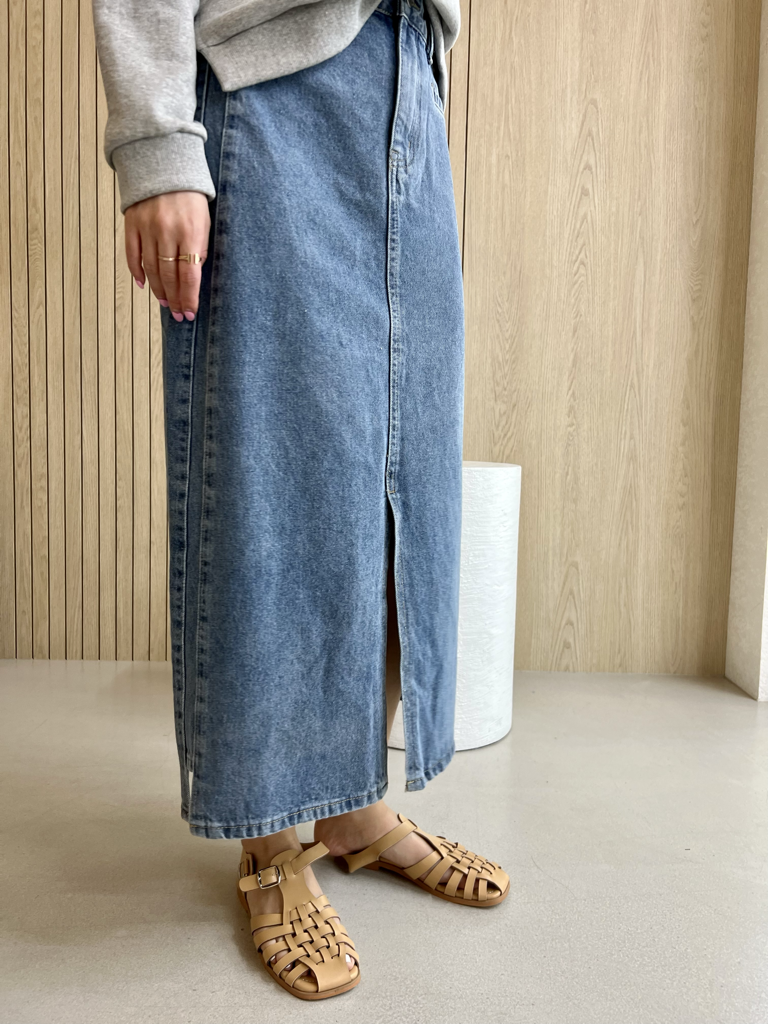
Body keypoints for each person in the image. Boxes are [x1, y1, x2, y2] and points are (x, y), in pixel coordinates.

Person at [93, 0, 509, 1001]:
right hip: (267, 93)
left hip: (407, 77)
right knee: (274, 475)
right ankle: (273, 838)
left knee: (402, 474)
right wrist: (159, 146)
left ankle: (349, 805)